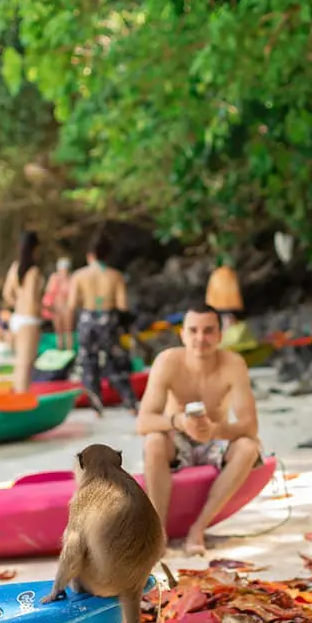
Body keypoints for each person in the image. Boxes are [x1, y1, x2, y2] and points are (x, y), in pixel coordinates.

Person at [136, 302, 262, 555]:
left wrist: (213, 430)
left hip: (214, 437)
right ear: (182, 334)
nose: (200, 338)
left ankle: (198, 529)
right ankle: (157, 532)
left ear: (219, 335)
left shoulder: (233, 364)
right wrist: (179, 422)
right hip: (178, 436)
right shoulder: (168, 361)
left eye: (208, 331)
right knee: (153, 441)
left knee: (249, 447)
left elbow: (250, 426)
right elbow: (144, 422)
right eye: (193, 331)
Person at [66, 235, 137, 414]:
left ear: (90, 255)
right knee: (115, 360)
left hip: (87, 319)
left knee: (89, 362)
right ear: (107, 256)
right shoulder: (115, 276)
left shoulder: (79, 276)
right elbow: (122, 305)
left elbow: (72, 304)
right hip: (109, 320)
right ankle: (129, 402)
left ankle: (96, 404)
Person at [2, 230, 44, 393]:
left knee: (19, 362)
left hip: (17, 318)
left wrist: (18, 304)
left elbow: (7, 294)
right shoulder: (33, 271)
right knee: (26, 364)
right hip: (30, 320)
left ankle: (19, 395)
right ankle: (22, 397)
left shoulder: (15, 267)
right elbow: (33, 300)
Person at [205, 254, 244, 331]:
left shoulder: (216, 274)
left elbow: (211, 293)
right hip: (230, 305)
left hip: (218, 306)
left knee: (225, 323)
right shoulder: (230, 273)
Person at [42, 256, 73, 351]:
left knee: (68, 331)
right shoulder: (54, 278)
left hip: (67, 308)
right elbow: (49, 292)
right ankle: (60, 350)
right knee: (58, 332)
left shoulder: (71, 278)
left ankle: (69, 351)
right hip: (56, 307)